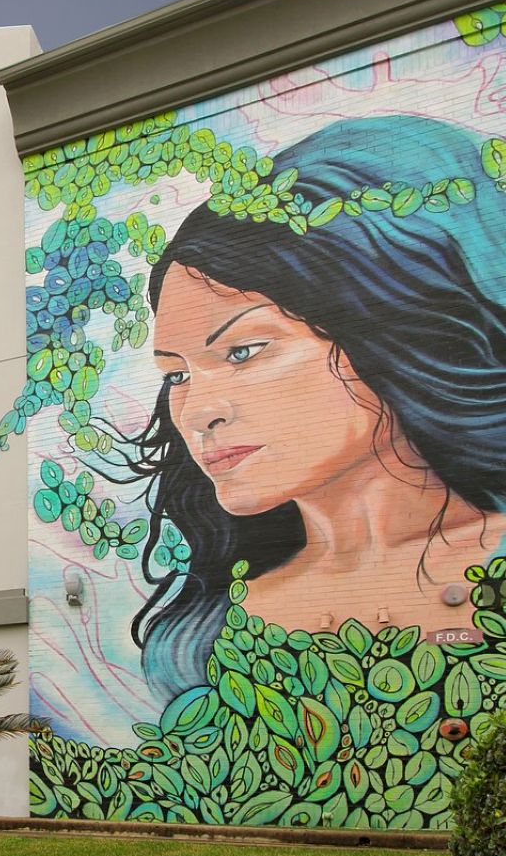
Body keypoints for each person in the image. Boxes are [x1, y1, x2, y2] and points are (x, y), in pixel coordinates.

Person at [112, 116, 506, 701]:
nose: (197, 412)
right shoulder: (201, 637)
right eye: (176, 375)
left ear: (378, 334)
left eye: (243, 351)